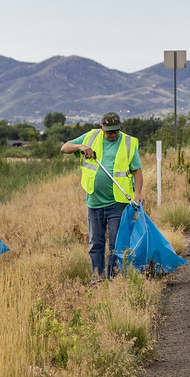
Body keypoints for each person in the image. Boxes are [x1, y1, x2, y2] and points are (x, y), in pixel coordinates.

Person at [60, 112, 144, 278]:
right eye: (109, 132)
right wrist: (81, 147)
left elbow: (137, 170)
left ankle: (113, 278)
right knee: (96, 243)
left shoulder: (128, 142)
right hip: (94, 202)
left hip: (118, 203)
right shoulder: (91, 136)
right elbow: (64, 147)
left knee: (116, 243)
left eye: (116, 131)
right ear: (101, 128)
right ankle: (98, 279)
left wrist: (138, 193)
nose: (113, 135)